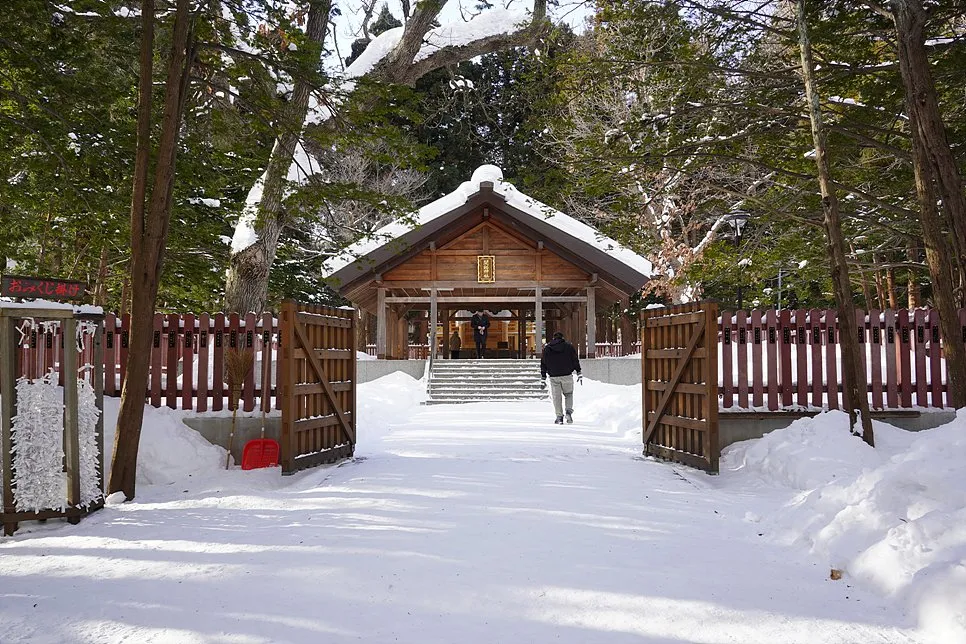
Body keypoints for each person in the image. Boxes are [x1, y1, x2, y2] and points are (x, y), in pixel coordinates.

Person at [540, 331, 582, 424]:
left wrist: (543, 377)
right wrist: (578, 371)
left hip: (554, 376)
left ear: (554, 338)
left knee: (557, 397)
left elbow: (543, 363)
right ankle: (568, 412)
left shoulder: (547, 348)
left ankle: (559, 416)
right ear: (562, 338)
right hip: (567, 374)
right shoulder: (569, 347)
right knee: (568, 394)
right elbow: (575, 360)